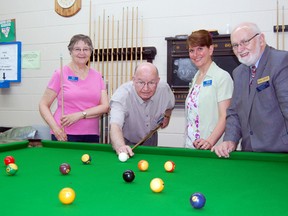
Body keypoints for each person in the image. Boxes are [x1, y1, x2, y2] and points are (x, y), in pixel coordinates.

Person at [212, 22, 288, 157]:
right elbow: (234, 112)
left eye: (245, 42)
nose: (240, 49)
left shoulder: (281, 62)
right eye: (235, 45)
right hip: (249, 155)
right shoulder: (238, 72)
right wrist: (230, 140)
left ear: (261, 39)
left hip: (279, 155)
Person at [39, 34, 109, 143]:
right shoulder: (60, 73)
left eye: (86, 49)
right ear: (70, 51)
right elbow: (43, 104)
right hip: (64, 134)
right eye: (77, 49)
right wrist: (55, 129)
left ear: (91, 52)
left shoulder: (97, 76)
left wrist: (80, 115)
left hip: (91, 134)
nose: (82, 53)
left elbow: (105, 106)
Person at [109, 62, 175, 156]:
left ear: (158, 81)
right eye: (141, 82)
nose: (146, 88)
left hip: (150, 138)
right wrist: (120, 146)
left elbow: (170, 105)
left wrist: (167, 116)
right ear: (133, 80)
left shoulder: (164, 89)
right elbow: (115, 125)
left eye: (152, 83)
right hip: (125, 140)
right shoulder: (121, 96)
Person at [184, 30, 234, 150]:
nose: (195, 54)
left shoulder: (222, 77)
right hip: (191, 147)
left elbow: (225, 116)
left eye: (200, 49)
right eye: (191, 50)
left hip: (211, 149)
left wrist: (209, 142)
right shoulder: (196, 78)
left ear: (210, 49)